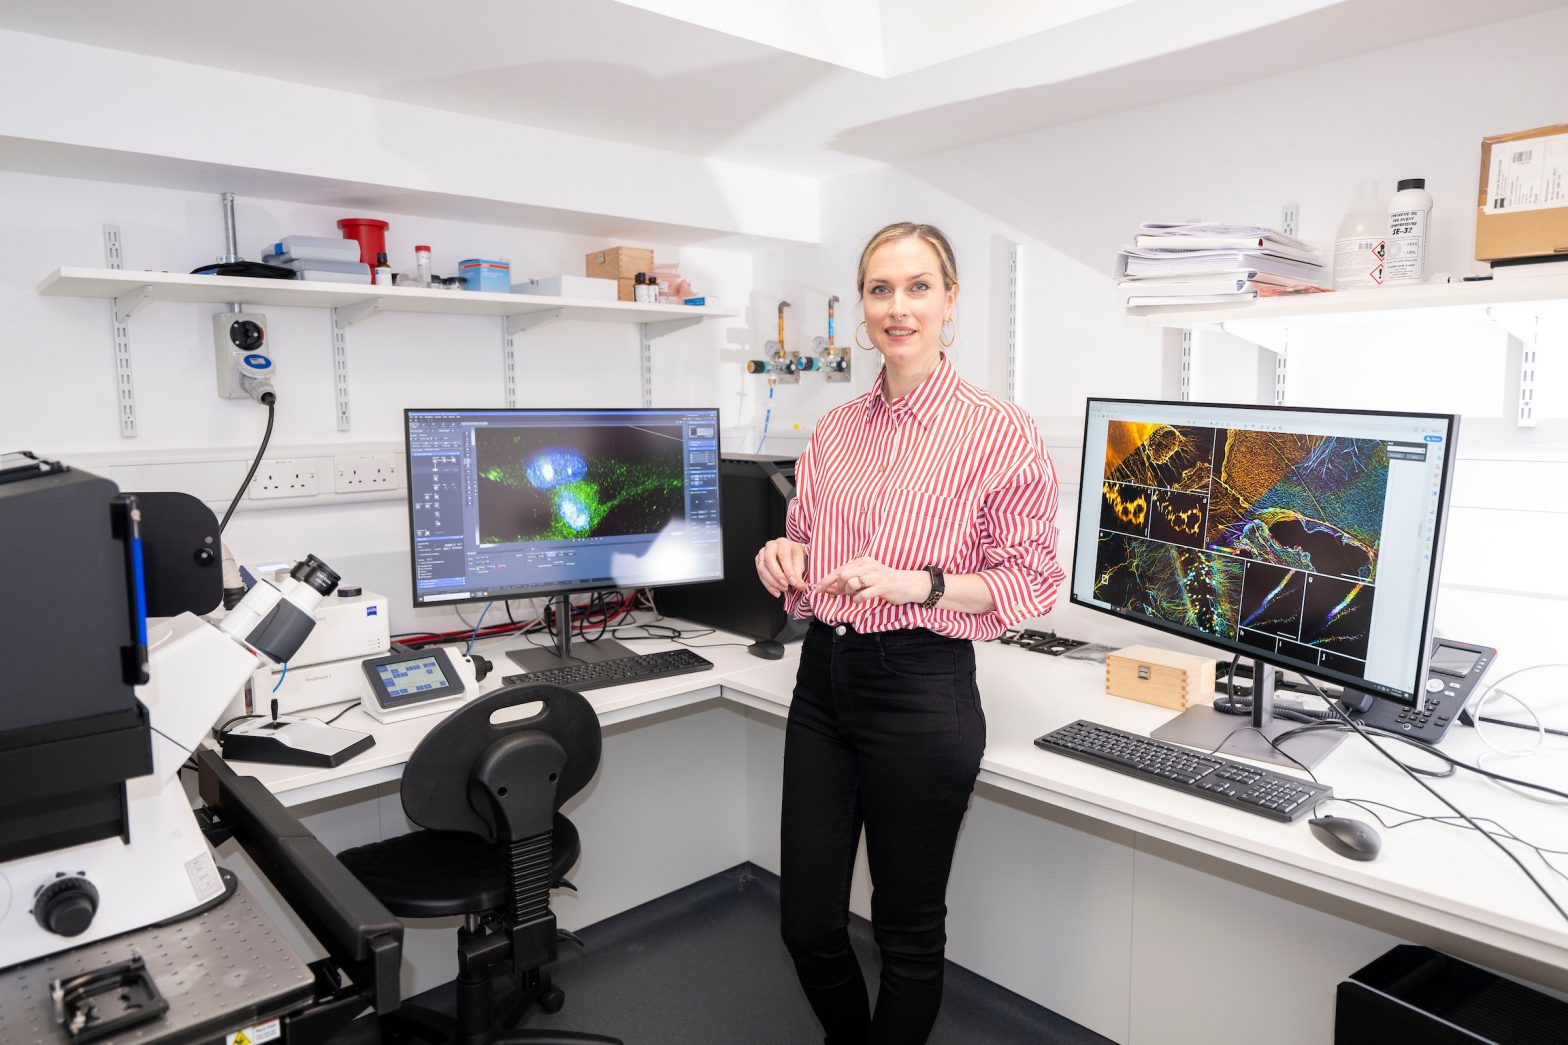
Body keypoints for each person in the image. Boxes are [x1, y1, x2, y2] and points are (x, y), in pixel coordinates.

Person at [755, 221, 1066, 1044]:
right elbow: (811, 548)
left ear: (950, 299)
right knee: (808, 922)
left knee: (906, 934)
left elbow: (1031, 577)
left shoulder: (999, 430)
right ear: (863, 305)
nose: (899, 308)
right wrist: (785, 556)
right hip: (825, 679)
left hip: (922, 688)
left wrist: (918, 581)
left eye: (918, 287)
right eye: (881, 289)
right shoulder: (834, 429)